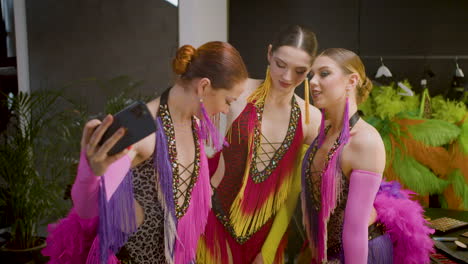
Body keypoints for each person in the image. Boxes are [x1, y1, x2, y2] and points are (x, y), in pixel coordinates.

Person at [42, 41, 248, 264]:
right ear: (204, 87)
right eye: (228, 101)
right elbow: (85, 211)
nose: (226, 110)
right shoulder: (138, 125)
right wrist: (92, 172)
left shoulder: (193, 125)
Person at [196, 25, 322, 264]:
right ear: (269, 53)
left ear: (310, 71)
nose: (287, 77)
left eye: (299, 71)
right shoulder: (238, 91)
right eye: (280, 64)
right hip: (211, 220)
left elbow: (292, 192)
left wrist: (269, 250)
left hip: (264, 236)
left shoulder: (312, 119)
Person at [302, 48, 434, 263]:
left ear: (351, 81)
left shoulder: (365, 141)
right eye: (311, 75)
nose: (313, 82)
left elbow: (355, 229)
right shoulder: (323, 132)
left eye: (324, 73)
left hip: (361, 254)